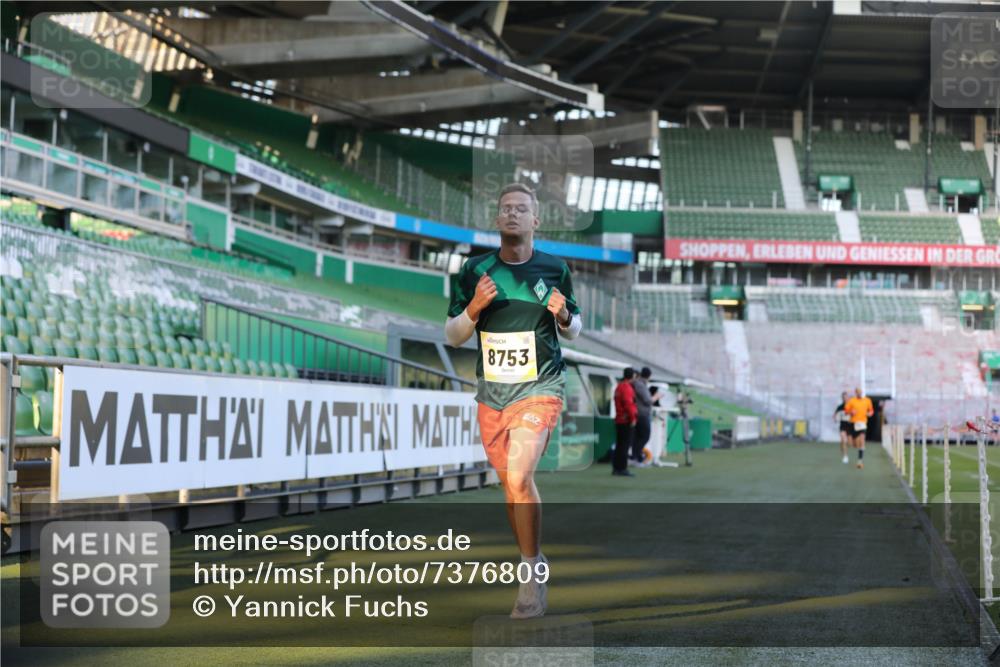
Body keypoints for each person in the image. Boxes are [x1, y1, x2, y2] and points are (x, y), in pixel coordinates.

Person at [444, 182, 582, 619]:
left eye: (521, 208)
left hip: (540, 387)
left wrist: (564, 315)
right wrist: (473, 309)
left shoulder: (555, 269)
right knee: (512, 486)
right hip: (492, 393)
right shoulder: (475, 270)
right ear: (496, 218)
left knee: (521, 476)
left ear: (535, 220)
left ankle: (529, 573)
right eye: (506, 208)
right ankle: (533, 556)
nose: (513, 213)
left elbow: (574, 328)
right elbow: (452, 334)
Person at [631, 367, 663, 466]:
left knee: (639, 437)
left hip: (639, 413)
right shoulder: (640, 385)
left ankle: (636, 457)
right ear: (649, 376)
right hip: (642, 414)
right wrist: (657, 396)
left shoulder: (639, 384)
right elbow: (648, 400)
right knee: (645, 436)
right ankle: (636, 457)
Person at [613, 367, 638, 477]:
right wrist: (633, 419)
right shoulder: (627, 388)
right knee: (625, 445)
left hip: (619, 419)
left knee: (619, 445)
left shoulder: (619, 386)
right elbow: (629, 405)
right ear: (632, 376)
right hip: (626, 420)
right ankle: (622, 468)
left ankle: (616, 468)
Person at [844, 387, 874, 469]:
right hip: (853, 424)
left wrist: (870, 414)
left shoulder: (867, 400)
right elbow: (846, 411)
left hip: (862, 423)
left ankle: (860, 461)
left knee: (862, 440)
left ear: (862, 393)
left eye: (860, 392)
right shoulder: (852, 401)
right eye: (858, 392)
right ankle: (853, 449)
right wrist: (851, 412)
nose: (859, 394)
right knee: (852, 444)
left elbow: (871, 410)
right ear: (856, 393)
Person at [833, 391, 852, 464]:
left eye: (846, 397)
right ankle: (845, 456)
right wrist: (835, 418)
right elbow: (835, 415)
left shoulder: (851, 406)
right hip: (843, 425)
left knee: (849, 443)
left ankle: (843, 446)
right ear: (842, 398)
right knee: (844, 440)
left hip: (850, 426)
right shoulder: (840, 407)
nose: (845, 398)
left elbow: (855, 414)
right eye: (843, 397)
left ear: (848, 397)